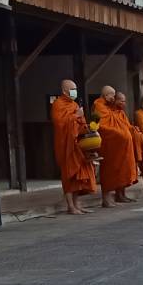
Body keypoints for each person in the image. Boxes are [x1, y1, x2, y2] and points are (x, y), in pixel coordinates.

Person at [50, 79, 95, 215]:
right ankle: (70, 206)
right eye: (72, 89)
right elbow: (60, 124)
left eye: (75, 88)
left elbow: (80, 124)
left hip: (77, 145)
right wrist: (76, 115)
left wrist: (87, 128)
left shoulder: (74, 104)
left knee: (78, 176)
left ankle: (77, 205)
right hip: (66, 145)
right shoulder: (58, 104)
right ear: (64, 91)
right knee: (69, 175)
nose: (75, 91)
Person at [93, 86, 138, 207]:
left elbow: (122, 125)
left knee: (119, 169)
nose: (113, 98)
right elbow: (101, 126)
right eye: (112, 95)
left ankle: (119, 195)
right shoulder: (99, 106)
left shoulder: (109, 108)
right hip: (108, 145)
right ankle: (106, 200)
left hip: (118, 146)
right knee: (108, 171)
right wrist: (118, 133)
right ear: (105, 95)